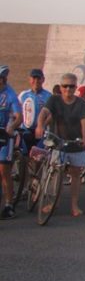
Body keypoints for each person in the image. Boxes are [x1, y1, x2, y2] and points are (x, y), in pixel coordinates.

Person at [34, 73, 85, 217]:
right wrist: (39, 126)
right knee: (55, 173)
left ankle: (74, 205)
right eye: (65, 86)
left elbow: (84, 121)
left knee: (76, 174)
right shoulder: (54, 100)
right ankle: (54, 202)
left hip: (75, 142)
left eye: (71, 86)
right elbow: (44, 113)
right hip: (58, 143)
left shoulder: (81, 103)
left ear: (76, 87)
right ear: (60, 87)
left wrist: (84, 138)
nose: (68, 89)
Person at [0, 65, 22, 219]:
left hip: (4, 134)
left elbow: (18, 116)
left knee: (4, 170)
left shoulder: (10, 94)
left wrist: (12, 126)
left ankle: (8, 204)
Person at [18, 68, 52, 155]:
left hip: (41, 133)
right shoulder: (23, 95)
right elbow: (17, 112)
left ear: (43, 79)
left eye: (38, 78)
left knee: (38, 158)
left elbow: (52, 114)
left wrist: (43, 126)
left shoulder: (48, 96)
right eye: (34, 78)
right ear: (30, 79)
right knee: (23, 155)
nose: (36, 81)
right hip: (25, 130)